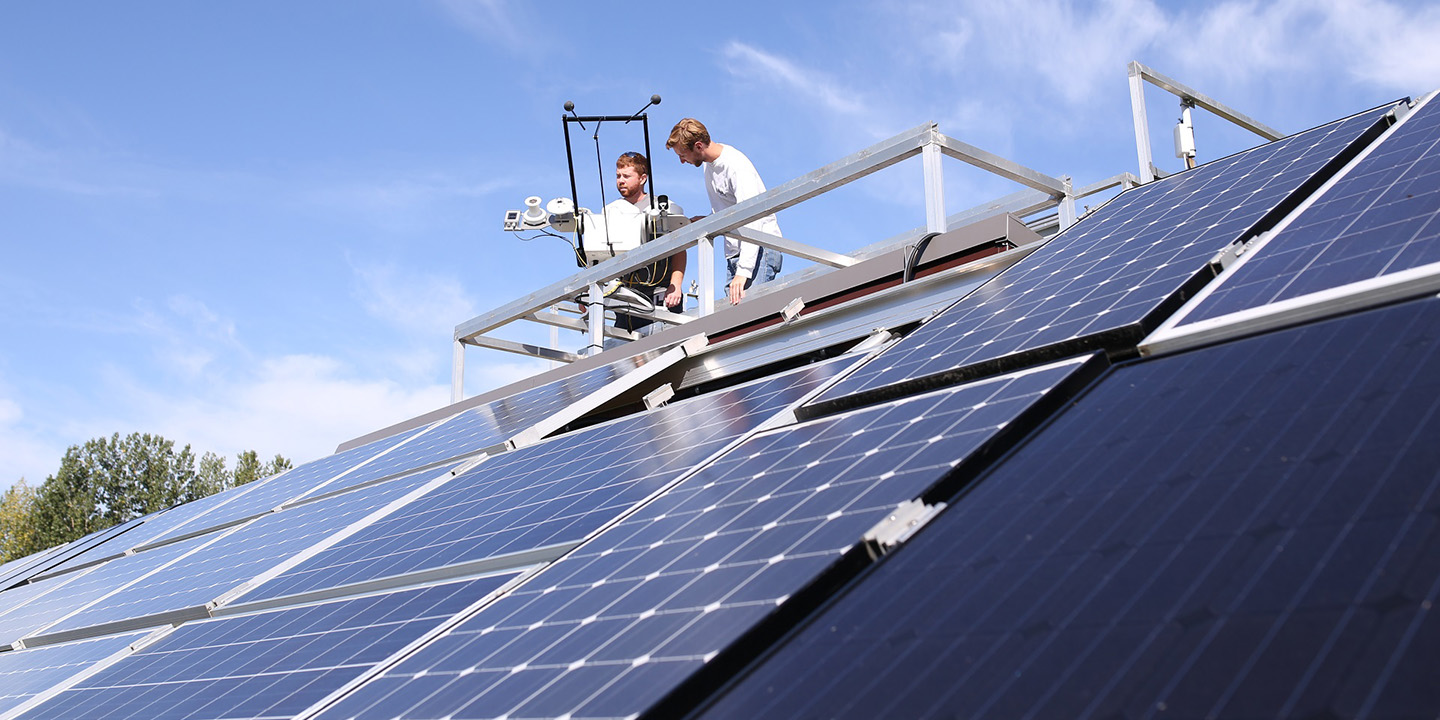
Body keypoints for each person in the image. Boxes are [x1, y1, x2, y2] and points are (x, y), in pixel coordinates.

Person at [666, 117, 783, 305]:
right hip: (736, 252)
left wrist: (743, 272)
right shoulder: (708, 166)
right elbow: (731, 210)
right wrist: (707, 221)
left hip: (758, 247)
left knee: (751, 317)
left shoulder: (735, 166)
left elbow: (753, 217)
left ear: (698, 146)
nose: (681, 161)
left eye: (683, 154)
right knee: (734, 323)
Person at [602, 151, 687, 341]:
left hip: (661, 292)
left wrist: (676, 285)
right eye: (618, 176)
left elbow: (679, 249)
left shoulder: (664, 207)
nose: (620, 181)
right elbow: (601, 256)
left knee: (665, 347)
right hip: (626, 296)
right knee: (623, 355)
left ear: (642, 178)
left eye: (626, 176)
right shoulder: (610, 211)